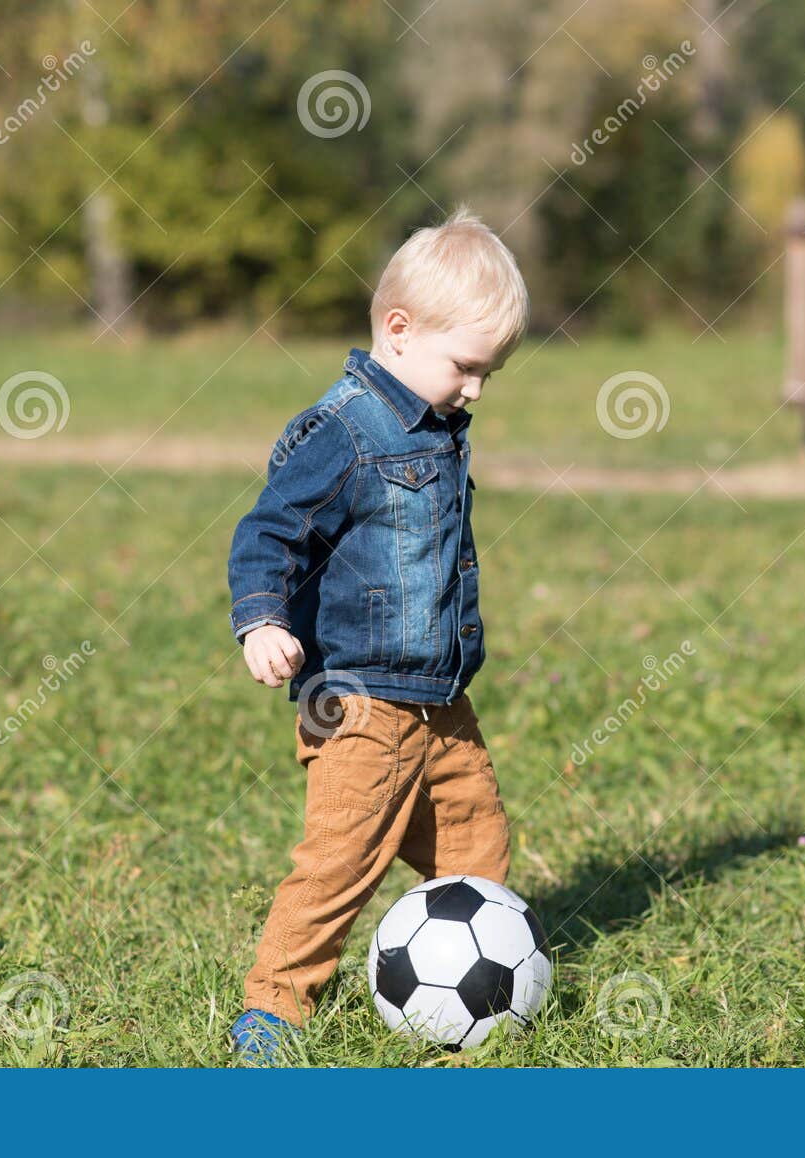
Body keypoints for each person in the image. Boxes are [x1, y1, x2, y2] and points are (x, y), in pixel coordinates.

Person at [225, 207, 530, 1063]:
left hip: (439, 699)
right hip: (354, 700)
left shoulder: (433, 424)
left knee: (478, 841)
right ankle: (273, 1012)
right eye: (468, 366)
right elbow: (269, 535)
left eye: (490, 373)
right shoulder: (344, 430)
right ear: (399, 329)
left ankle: (475, 986)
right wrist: (261, 622)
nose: (476, 389)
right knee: (338, 861)